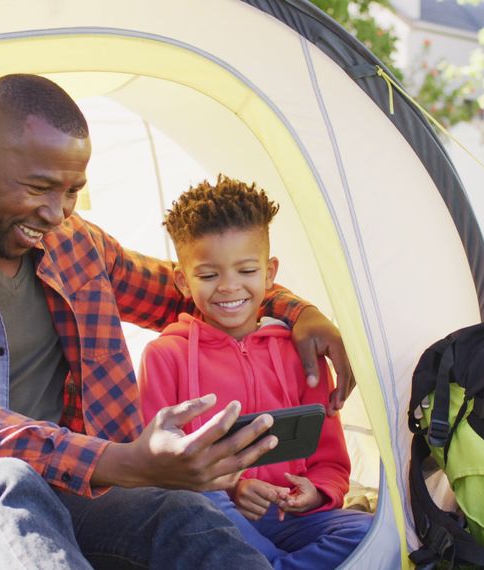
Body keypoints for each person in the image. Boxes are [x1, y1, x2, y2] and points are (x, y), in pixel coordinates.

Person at [0, 74, 355, 569]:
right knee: (4, 486)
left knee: (182, 515)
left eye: (72, 192)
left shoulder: (74, 244)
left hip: (64, 487)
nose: (57, 212)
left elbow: (188, 288)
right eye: (39, 188)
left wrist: (297, 311)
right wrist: (126, 462)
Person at [137, 176, 373, 569]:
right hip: (216, 514)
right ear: (182, 279)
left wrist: (315, 492)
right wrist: (235, 485)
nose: (229, 287)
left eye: (246, 270)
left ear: (269, 273)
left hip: (292, 516)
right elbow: (160, 469)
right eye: (209, 276)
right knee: (197, 507)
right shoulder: (165, 356)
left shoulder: (302, 353)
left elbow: (330, 459)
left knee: (367, 531)